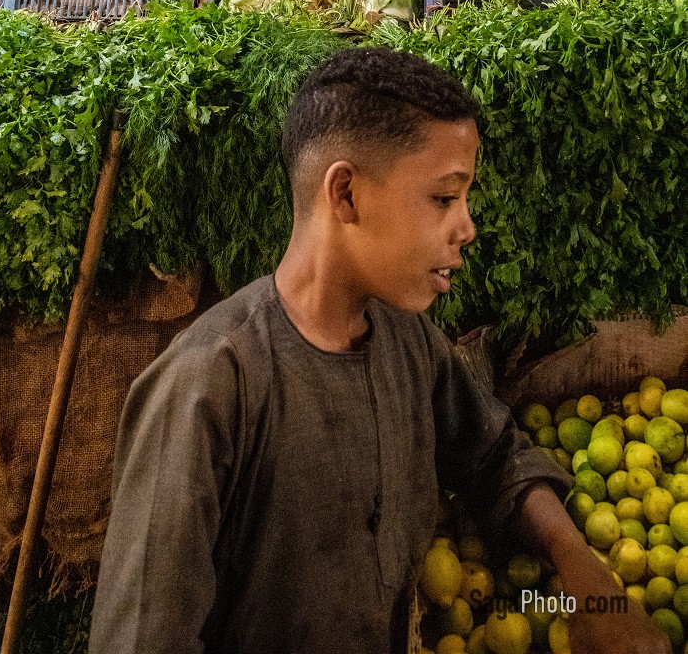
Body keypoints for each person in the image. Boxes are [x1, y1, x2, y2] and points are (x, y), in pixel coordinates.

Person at [89, 47, 667, 654]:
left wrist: (585, 580)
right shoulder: (208, 388)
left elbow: (495, 456)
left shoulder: (406, 341)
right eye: (445, 198)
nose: (467, 227)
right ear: (346, 196)